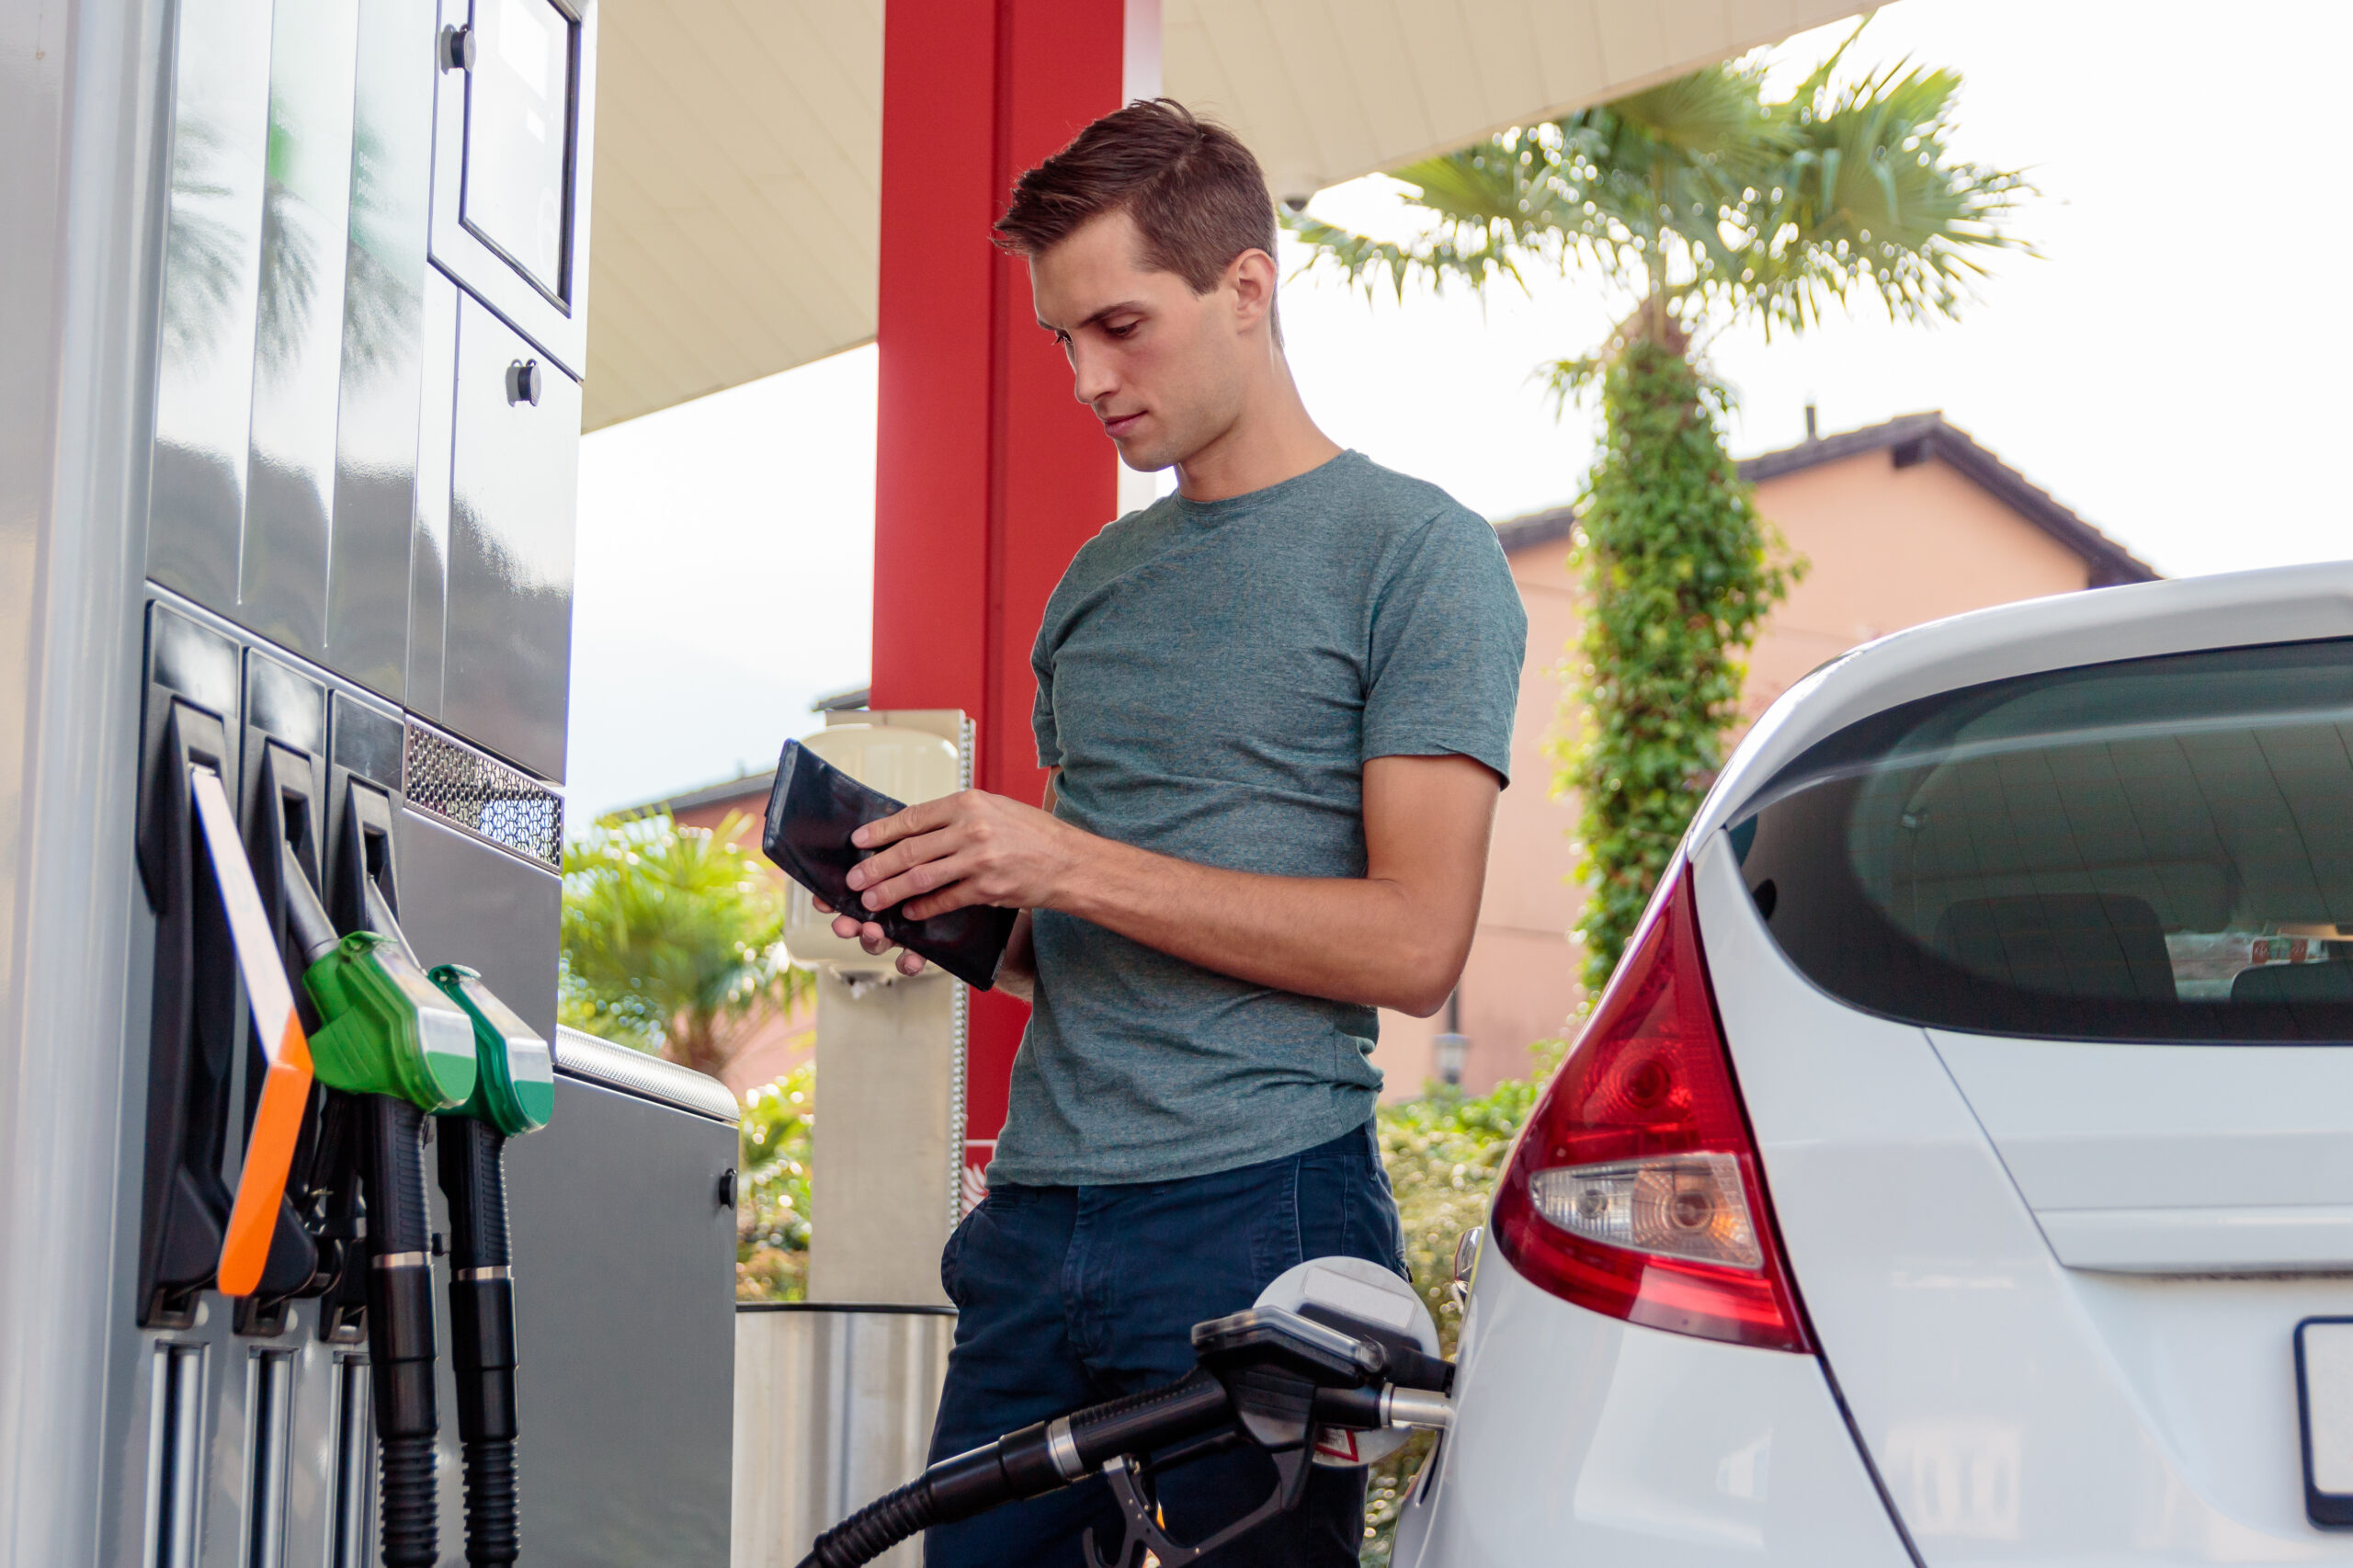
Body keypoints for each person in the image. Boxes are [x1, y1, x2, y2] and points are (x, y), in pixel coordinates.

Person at [817, 99, 1527, 1566]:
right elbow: (1075, 936)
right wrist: (946, 904)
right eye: (1063, 338)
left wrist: (1059, 856)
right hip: (1033, 1225)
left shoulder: (1417, 556)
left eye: (1121, 326)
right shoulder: (1100, 583)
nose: (1088, 376)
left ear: (1247, 287)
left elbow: (1414, 942)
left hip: (1258, 1214)